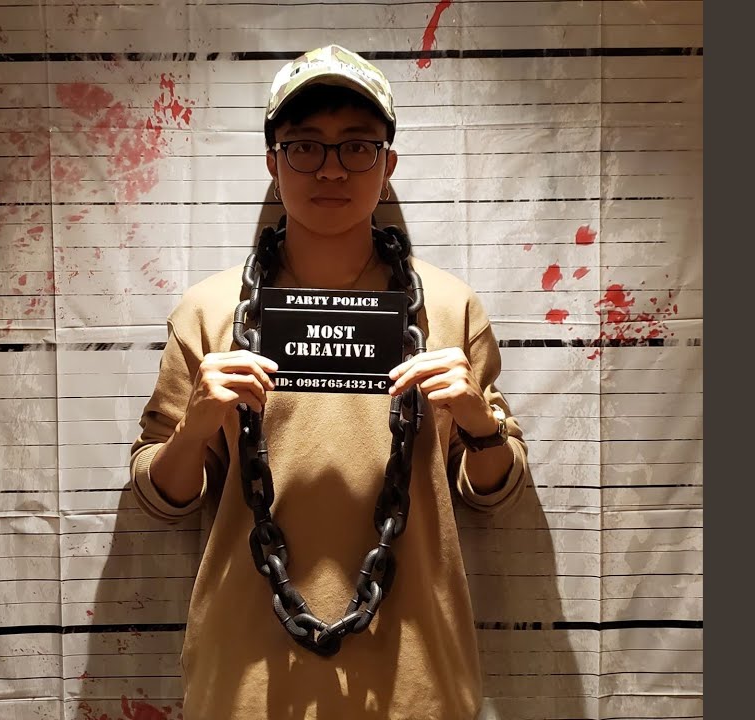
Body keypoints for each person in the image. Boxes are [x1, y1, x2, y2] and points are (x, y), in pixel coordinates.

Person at [129, 44, 532, 720]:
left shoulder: (449, 308)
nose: (331, 168)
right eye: (305, 146)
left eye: (357, 146)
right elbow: (161, 500)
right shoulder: (210, 312)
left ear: (388, 164)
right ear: (273, 161)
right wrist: (194, 428)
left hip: (416, 675)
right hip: (247, 678)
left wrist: (478, 423)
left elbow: (493, 492)